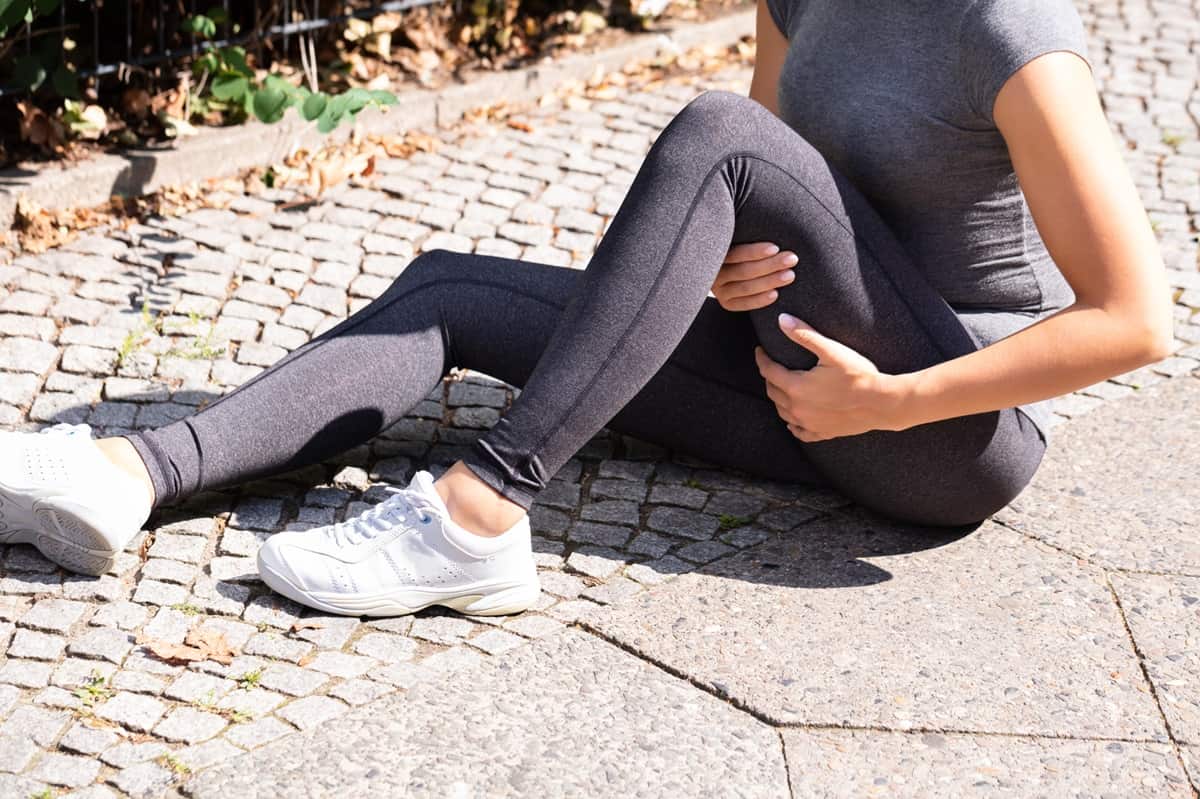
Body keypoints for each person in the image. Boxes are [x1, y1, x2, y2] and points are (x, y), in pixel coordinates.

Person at [0, 0, 1172, 618]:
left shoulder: (1006, 23)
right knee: (450, 289)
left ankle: (476, 516)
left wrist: (889, 397)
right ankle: (134, 473)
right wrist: (722, 278)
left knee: (714, 126)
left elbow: (1133, 317)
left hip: (944, 436)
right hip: (802, 391)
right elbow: (767, 190)